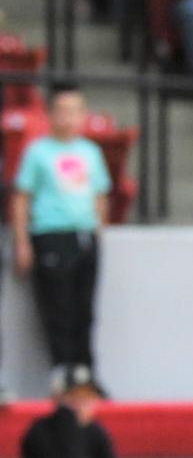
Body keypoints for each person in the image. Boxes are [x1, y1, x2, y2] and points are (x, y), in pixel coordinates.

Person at [11, 84, 111, 379]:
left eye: (75, 111)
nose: (69, 118)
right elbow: (21, 196)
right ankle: (62, 372)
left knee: (85, 309)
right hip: (51, 235)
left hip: (85, 236)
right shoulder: (37, 152)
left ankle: (85, 374)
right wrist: (22, 242)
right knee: (58, 307)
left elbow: (100, 194)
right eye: (62, 111)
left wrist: (97, 232)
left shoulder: (90, 152)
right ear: (51, 114)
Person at [20, 364, 115, 458]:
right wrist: (69, 425)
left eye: (87, 398)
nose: (81, 405)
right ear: (57, 398)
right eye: (74, 397)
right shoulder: (40, 432)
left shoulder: (97, 433)